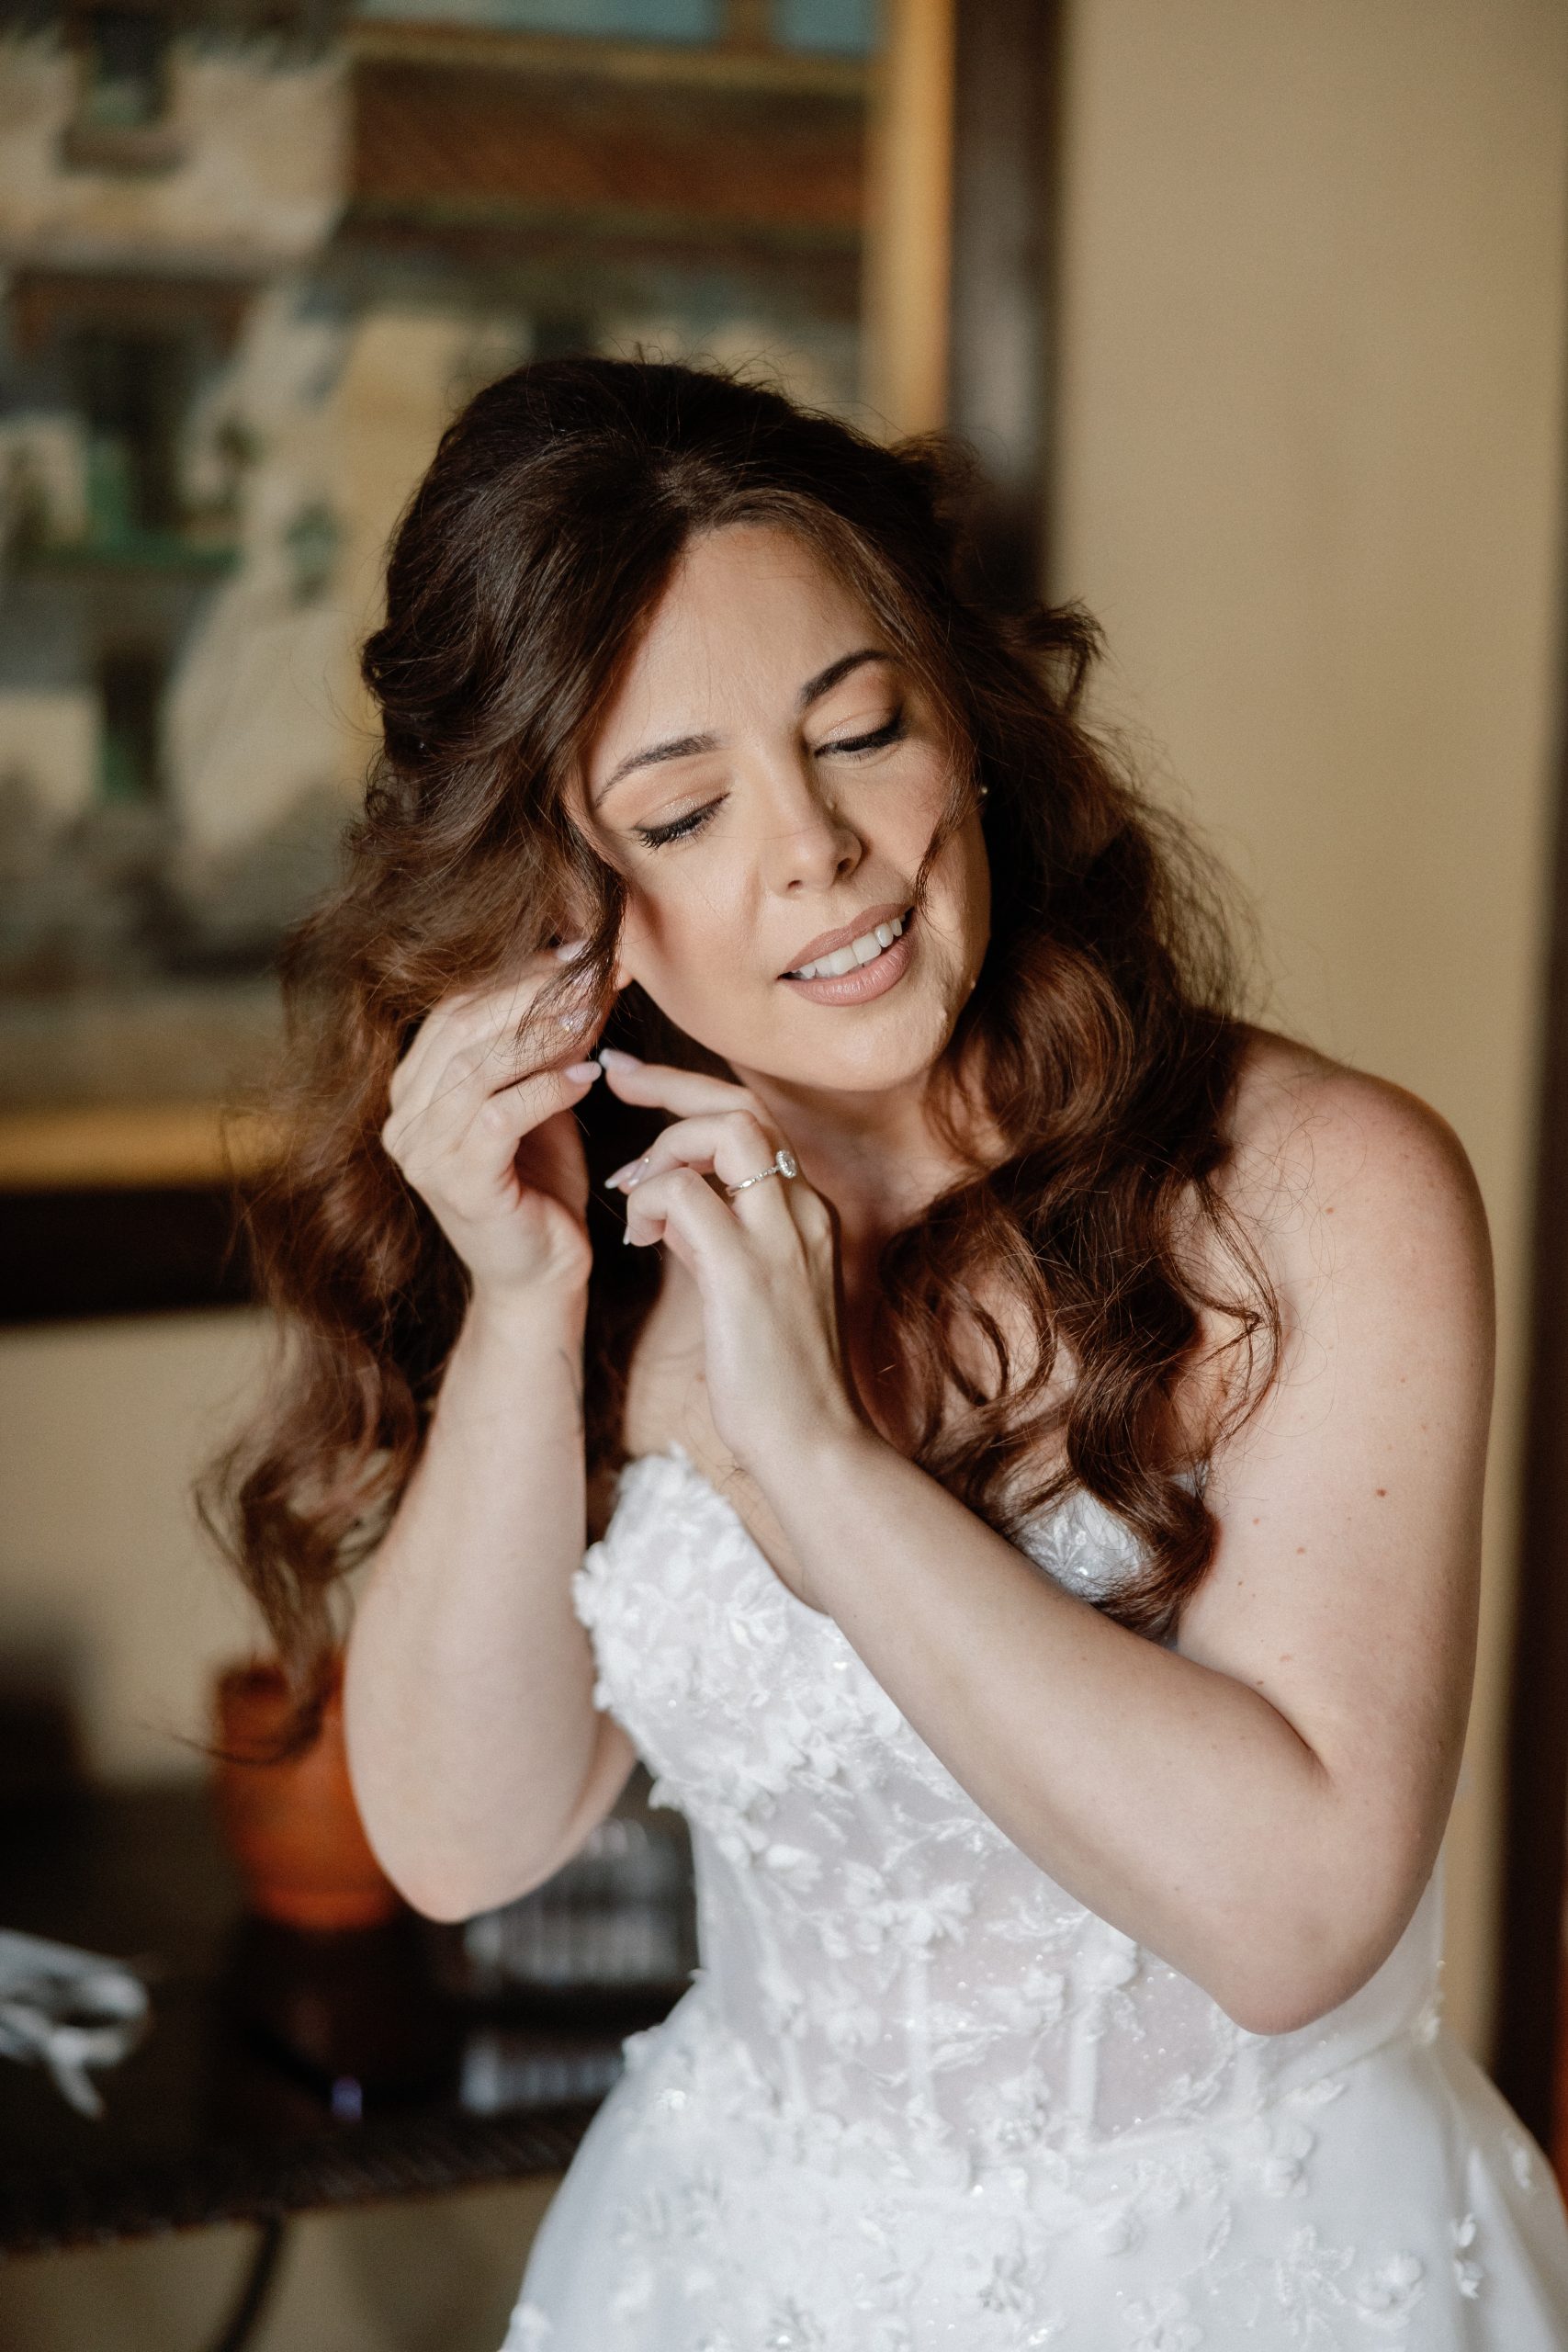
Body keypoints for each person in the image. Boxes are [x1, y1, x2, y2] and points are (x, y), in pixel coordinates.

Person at [204, 356, 1568, 2347]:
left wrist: (823, 1469)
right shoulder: (623, 1225)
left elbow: (1293, 1920)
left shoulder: (1315, 1193)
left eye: (861, 731)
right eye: (683, 809)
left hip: (1246, 2271)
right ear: (562, 900)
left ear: (966, 721)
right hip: (745, 2265)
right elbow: (460, 1836)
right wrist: (519, 1300)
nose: (820, 850)